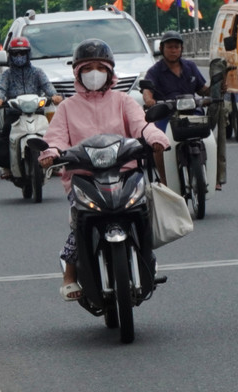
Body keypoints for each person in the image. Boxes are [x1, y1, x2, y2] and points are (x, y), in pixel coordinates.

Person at [39, 39, 170, 300]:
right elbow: (54, 139)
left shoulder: (123, 101)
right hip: (84, 178)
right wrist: (51, 153)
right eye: (88, 68)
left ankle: (148, 258)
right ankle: (70, 275)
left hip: (124, 173)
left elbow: (141, 126)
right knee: (79, 221)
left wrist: (155, 137)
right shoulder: (66, 108)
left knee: (142, 212)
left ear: (110, 72)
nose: (94, 73)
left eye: (100, 67)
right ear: (78, 73)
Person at [141, 30, 220, 189]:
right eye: (170, 47)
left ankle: (214, 177)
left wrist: (215, 91)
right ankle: (164, 181)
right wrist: (149, 100)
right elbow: (147, 90)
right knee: (159, 145)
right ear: (162, 49)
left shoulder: (190, 67)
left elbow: (202, 89)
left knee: (210, 140)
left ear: (181, 49)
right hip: (166, 114)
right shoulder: (155, 71)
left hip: (192, 111)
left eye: (176, 47)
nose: (173, 50)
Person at [0, 36, 60, 176]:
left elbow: (48, 87)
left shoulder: (37, 72)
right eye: (15, 53)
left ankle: (55, 164)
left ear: (28, 54)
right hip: (15, 112)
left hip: (37, 111)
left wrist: (55, 96)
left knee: (52, 134)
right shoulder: (7, 74)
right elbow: (1, 90)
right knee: (5, 136)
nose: (19, 56)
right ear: (11, 55)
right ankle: (7, 167)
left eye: (22, 53)